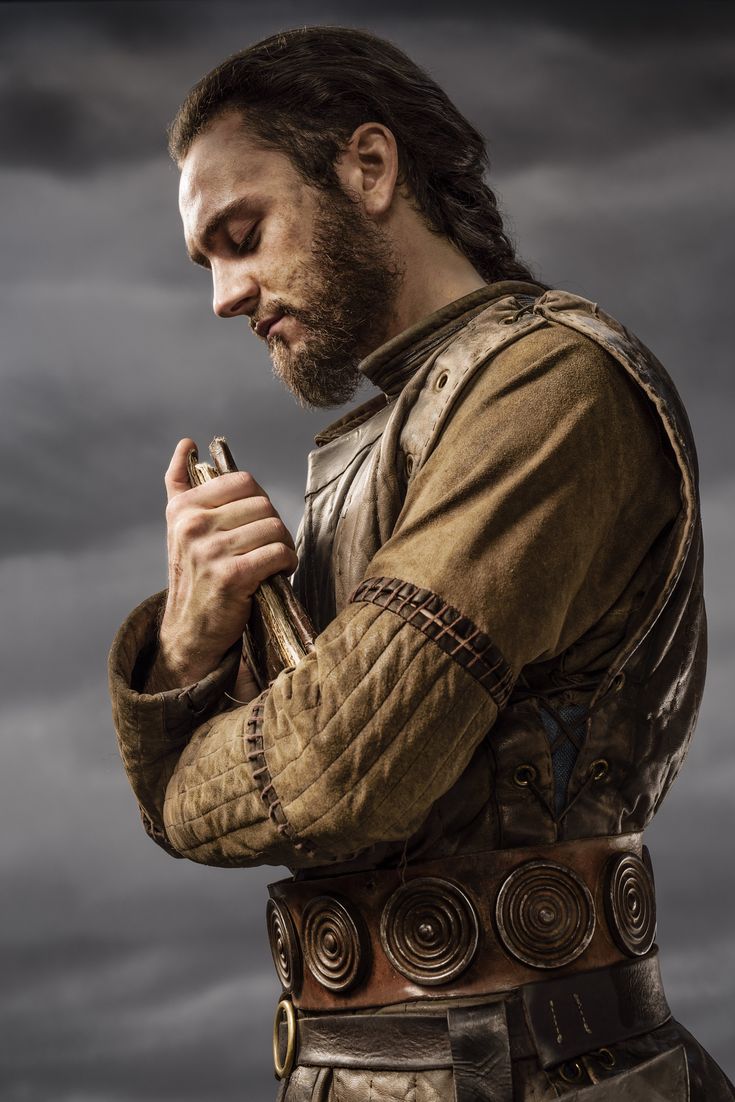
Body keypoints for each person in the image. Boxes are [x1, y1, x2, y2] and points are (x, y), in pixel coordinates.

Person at [108, 26, 734, 1101]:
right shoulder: (376, 446)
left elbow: (338, 773)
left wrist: (171, 778)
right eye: (208, 259)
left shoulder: (551, 385)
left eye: (243, 233)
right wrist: (186, 642)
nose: (225, 294)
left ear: (369, 167)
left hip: (537, 1070)